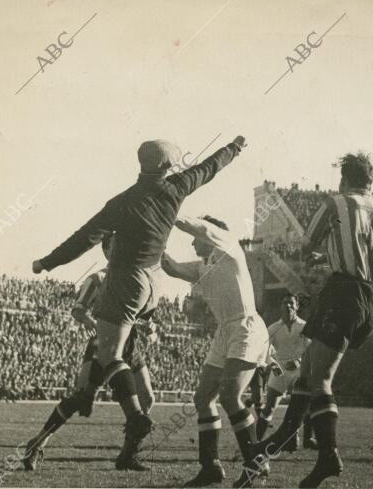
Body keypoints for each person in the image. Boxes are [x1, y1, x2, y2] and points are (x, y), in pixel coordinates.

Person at [31, 137, 246, 467]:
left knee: (110, 355)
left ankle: (134, 417)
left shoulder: (122, 202)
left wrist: (47, 262)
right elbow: (209, 168)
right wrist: (233, 147)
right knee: (120, 371)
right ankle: (128, 449)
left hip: (126, 278)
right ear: (165, 165)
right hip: (154, 281)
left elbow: (84, 238)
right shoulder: (177, 187)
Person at [254, 152, 373, 488]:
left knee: (320, 378)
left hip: (344, 292)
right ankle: (277, 442)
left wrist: (318, 258)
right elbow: (368, 253)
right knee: (307, 373)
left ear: (344, 178)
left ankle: (328, 456)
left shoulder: (337, 203)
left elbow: (306, 246)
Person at [23, 234, 158, 471]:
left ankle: (128, 454)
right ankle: (37, 443)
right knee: (81, 399)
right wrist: (98, 325)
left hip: (131, 345)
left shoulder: (136, 276)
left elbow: (142, 318)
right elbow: (78, 311)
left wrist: (149, 327)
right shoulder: (98, 278)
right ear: (107, 251)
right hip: (103, 343)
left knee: (148, 399)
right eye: (116, 247)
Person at [161, 216, 268, 488]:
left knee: (230, 396)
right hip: (224, 331)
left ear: (211, 236)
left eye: (197, 237)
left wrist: (168, 212)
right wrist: (153, 237)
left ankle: (255, 463)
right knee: (202, 398)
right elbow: (171, 267)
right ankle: (210, 468)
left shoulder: (228, 247)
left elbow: (201, 228)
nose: (193, 241)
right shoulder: (202, 266)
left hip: (246, 325)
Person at [256, 293, 317, 450]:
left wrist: (298, 362)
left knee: (305, 405)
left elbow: (311, 350)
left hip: (300, 370)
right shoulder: (273, 328)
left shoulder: (305, 327)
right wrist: (275, 367)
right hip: (280, 370)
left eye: (291, 303)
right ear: (280, 306)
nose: (288, 306)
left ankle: (307, 439)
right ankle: (255, 441)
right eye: (285, 303)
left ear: (297, 306)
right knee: (269, 407)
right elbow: (265, 352)